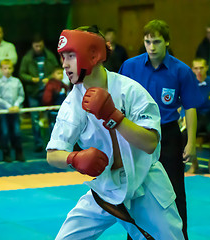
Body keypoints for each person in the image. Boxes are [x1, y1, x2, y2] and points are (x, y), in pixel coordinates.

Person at [47, 25, 184, 239]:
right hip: (104, 190)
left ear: (93, 55)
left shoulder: (131, 91)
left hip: (145, 184)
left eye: (70, 56)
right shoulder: (72, 104)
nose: (64, 64)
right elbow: (52, 154)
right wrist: (73, 157)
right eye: (62, 57)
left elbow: (150, 143)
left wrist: (115, 117)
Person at [119, 19, 203, 239]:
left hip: (168, 135)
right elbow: (118, 100)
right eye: (147, 42)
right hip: (137, 134)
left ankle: (180, 235)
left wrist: (191, 142)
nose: (152, 47)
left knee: (174, 190)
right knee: (135, 190)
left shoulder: (181, 70)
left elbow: (191, 107)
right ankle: (136, 236)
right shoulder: (130, 67)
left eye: (156, 41)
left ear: (167, 42)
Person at [19, 34, 59, 152]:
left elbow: (57, 70)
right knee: (35, 119)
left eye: (40, 46)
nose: (38, 48)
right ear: (32, 46)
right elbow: (22, 73)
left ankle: (52, 142)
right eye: (36, 46)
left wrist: (49, 77)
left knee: (51, 118)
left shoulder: (50, 56)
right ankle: (38, 143)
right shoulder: (27, 58)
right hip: (33, 92)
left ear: (43, 44)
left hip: (48, 91)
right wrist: (31, 79)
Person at [0, 59, 25, 162]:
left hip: (15, 111)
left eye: (9, 68)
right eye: (5, 68)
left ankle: (19, 152)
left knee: (17, 132)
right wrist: (8, 106)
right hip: (4, 112)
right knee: (5, 132)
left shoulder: (17, 81)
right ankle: (6, 153)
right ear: (1, 70)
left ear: (13, 69)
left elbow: (21, 95)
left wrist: (16, 105)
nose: (7, 70)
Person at [183, 58, 210, 173]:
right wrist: (184, 119)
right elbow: (185, 104)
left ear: (207, 68)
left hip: (209, 116)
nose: (199, 71)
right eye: (196, 68)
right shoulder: (189, 84)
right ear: (192, 69)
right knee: (185, 135)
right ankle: (194, 165)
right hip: (196, 117)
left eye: (201, 68)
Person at [42, 66, 68, 132]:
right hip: (53, 112)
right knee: (54, 130)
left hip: (63, 111)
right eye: (58, 73)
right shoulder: (50, 85)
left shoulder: (63, 85)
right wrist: (50, 107)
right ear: (53, 74)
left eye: (62, 73)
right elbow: (46, 99)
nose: (60, 75)